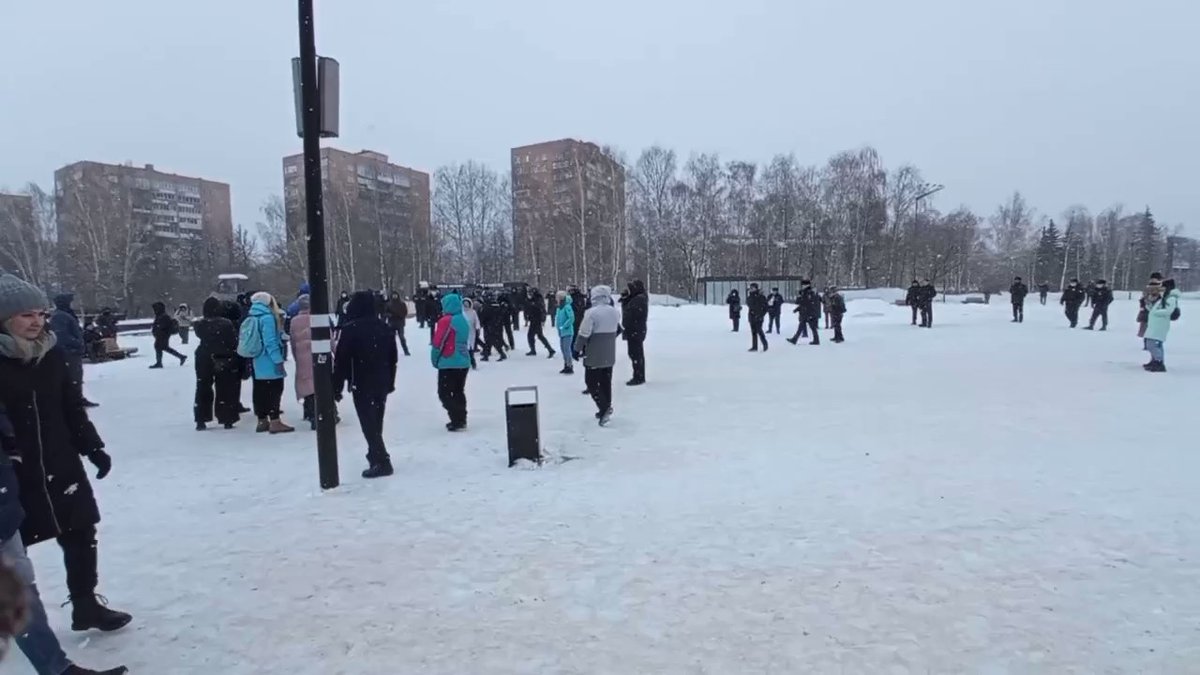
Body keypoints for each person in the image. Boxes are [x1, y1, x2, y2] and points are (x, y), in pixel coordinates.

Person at [0, 275, 132, 636]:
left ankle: (86, 604)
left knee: (80, 531)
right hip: (15, 471)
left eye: (40, 314)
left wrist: (94, 447)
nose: (36, 322)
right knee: (12, 549)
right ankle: (16, 624)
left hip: (60, 461)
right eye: (25, 315)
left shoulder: (51, 354)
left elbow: (71, 407)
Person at [0, 404, 128, 674]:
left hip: (7, 500)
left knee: (18, 584)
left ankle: (57, 667)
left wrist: (11, 453)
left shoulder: (55, 362)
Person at [333, 291, 398, 478]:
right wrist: (390, 381)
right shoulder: (384, 327)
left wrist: (336, 387)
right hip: (382, 380)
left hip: (361, 381)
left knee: (368, 422)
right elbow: (392, 358)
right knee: (376, 419)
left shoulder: (351, 329)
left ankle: (382, 459)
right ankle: (375, 453)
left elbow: (342, 361)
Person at [243, 292, 294, 434]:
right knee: (275, 389)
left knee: (260, 389)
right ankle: (275, 421)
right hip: (269, 359)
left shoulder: (252, 316)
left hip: (256, 358)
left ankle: (262, 420)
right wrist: (278, 360)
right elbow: (270, 341)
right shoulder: (267, 318)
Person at [193, 297, 242, 431]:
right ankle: (227, 418)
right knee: (226, 388)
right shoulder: (226, 324)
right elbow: (233, 341)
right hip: (223, 356)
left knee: (203, 387)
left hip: (203, 357)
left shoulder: (199, 325)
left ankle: (201, 419)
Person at [576, 285, 622, 426]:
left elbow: (584, 333)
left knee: (591, 382)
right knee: (606, 381)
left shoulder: (591, 313)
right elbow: (619, 329)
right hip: (609, 353)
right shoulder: (614, 312)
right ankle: (606, 406)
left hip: (594, 353)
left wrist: (577, 349)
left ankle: (603, 407)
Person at [48, 293, 98, 408]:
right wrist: (77, 344)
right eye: (69, 301)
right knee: (72, 377)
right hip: (68, 353)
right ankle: (74, 401)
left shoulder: (65, 314)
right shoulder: (60, 316)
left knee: (76, 377)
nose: (72, 303)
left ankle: (77, 399)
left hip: (71, 352)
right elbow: (61, 336)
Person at [431, 293, 471, 431]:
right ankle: (461, 418)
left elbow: (438, 343)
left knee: (444, 393)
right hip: (463, 361)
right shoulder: (462, 319)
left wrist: (435, 360)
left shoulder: (446, 321)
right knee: (459, 391)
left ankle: (456, 418)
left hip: (449, 361)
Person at [1142, 277, 1180, 372]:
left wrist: (1155, 312)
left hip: (1160, 325)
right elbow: (1156, 309)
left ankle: (1159, 362)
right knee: (1154, 343)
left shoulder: (1171, 298)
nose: (1161, 289)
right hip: (1155, 324)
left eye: (1163, 287)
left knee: (1153, 344)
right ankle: (1155, 360)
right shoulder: (1165, 297)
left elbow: (1168, 311)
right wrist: (1148, 305)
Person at [621, 279, 648, 386]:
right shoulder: (639, 298)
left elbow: (630, 312)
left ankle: (639, 376)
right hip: (636, 330)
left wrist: (627, 299)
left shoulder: (639, 299)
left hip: (635, 330)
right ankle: (638, 375)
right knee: (635, 353)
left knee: (636, 354)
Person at [149, 300, 186, 368]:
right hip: (162, 335)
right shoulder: (160, 315)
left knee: (158, 347)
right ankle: (181, 357)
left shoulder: (163, 316)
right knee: (164, 347)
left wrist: (157, 329)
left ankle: (159, 363)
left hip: (163, 335)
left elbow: (163, 326)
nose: (154, 311)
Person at [788, 279, 822, 345]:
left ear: (806, 285)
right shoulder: (804, 292)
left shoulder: (809, 292)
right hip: (805, 313)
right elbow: (799, 302)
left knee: (812, 327)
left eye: (803, 285)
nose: (802, 286)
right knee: (801, 327)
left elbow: (808, 303)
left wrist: (811, 313)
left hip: (808, 313)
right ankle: (794, 339)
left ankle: (816, 340)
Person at [524, 289, 556, 358]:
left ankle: (547, 350)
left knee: (533, 335)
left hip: (536, 320)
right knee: (539, 336)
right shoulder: (534, 299)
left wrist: (542, 319)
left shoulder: (538, 299)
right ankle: (548, 349)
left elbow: (540, 308)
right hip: (534, 319)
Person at [478, 293, 508, 362]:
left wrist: (481, 323)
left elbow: (483, 316)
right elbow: (501, 313)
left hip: (489, 325)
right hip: (495, 324)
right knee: (490, 340)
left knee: (491, 340)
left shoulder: (486, 306)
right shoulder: (496, 304)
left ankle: (501, 353)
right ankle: (487, 354)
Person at [555, 290, 576, 375]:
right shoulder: (559, 307)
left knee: (567, 349)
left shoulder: (567, 307)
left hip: (567, 332)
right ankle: (566, 365)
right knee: (563, 349)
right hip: (561, 332)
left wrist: (564, 326)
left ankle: (570, 366)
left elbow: (571, 318)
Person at [384, 291, 410, 357]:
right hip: (392, 323)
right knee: (391, 338)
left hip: (400, 323)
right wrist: (390, 315)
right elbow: (385, 313)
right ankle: (391, 352)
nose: (394, 297)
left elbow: (405, 312)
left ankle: (406, 350)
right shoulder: (388, 304)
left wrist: (400, 315)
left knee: (401, 337)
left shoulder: (402, 304)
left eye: (395, 295)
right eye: (393, 295)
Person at [746, 284, 769, 352]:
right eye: (750, 288)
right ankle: (754, 346)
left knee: (759, 331)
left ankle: (765, 344)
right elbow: (749, 304)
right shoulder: (750, 296)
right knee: (753, 332)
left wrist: (761, 315)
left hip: (759, 317)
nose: (751, 289)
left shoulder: (761, 297)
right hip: (752, 316)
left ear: (756, 288)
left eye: (752, 288)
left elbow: (766, 307)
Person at [462, 297, 482, 369]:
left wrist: (477, 328)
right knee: (465, 348)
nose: (466, 305)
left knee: (471, 348)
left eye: (467, 304)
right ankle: (465, 362)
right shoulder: (461, 313)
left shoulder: (473, 312)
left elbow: (477, 321)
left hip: (471, 332)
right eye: (464, 304)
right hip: (463, 333)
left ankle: (473, 362)